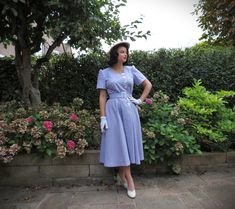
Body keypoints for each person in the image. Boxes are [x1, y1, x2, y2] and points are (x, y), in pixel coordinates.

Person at [96, 42, 152, 198]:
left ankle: (121, 177)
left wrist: (140, 100)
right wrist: (103, 117)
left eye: (126, 52)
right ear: (115, 54)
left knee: (127, 143)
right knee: (120, 143)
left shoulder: (131, 70)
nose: (125, 54)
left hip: (129, 110)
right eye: (122, 52)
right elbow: (102, 95)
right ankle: (129, 179)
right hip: (113, 110)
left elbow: (148, 85)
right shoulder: (104, 73)